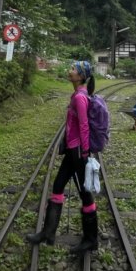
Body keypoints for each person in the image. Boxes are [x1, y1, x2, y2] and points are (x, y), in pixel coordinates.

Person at [26, 60, 98, 253]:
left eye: (73, 69)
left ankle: (91, 239)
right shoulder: (77, 94)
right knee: (58, 186)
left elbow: (84, 126)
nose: (69, 71)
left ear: (81, 76)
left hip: (77, 152)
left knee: (84, 193)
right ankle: (48, 233)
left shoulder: (80, 98)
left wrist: (83, 154)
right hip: (72, 150)